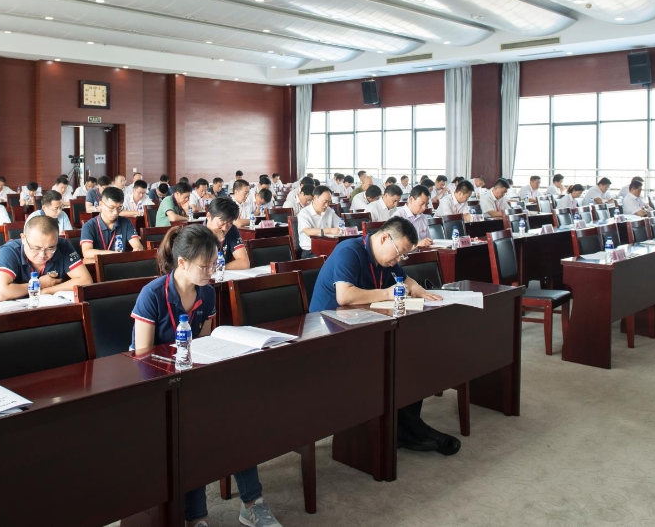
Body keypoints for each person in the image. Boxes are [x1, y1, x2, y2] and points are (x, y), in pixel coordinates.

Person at [130, 225, 283, 527]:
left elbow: (204, 345)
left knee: (236, 419)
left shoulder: (208, 293)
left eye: (215, 263)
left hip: (191, 380)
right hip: (154, 386)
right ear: (182, 263)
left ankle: (252, 503)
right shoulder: (153, 294)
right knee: (193, 429)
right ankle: (196, 517)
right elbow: (142, 357)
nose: (212, 271)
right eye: (205, 266)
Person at [307, 217, 455, 455]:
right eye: (399, 253)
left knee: (413, 355)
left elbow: (404, 278)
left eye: (404, 256)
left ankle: (404, 430)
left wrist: (417, 288)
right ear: (385, 237)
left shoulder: (385, 258)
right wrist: (387, 293)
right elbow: (345, 296)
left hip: (361, 328)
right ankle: (410, 432)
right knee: (393, 362)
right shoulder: (349, 251)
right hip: (329, 335)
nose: (399, 259)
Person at [0, 215, 91, 301]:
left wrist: (48, 290)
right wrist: (40, 284)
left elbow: (86, 281)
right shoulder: (10, 251)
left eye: (50, 248)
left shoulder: (62, 245)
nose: (42, 255)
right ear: (23, 238)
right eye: (36, 248)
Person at [80, 187, 143, 259]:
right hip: (98, 265)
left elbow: (137, 245)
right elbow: (87, 252)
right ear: (101, 204)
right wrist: (114, 254)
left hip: (120, 263)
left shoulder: (126, 222)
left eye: (119, 208)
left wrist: (137, 249)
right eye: (111, 208)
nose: (115, 212)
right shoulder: (89, 226)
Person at [205, 197, 250, 270]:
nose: (225, 228)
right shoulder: (195, 232)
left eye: (230, 223)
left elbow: (244, 263)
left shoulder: (232, 230)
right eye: (221, 224)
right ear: (208, 216)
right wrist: (211, 234)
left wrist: (218, 268)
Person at [298, 186, 342, 258]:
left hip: (329, 248)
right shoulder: (304, 213)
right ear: (315, 198)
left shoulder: (328, 210)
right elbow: (308, 231)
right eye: (325, 202)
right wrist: (330, 230)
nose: (326, 205)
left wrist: (341, 228)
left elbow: (340, 224)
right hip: (310, 251)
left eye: (329, 202)